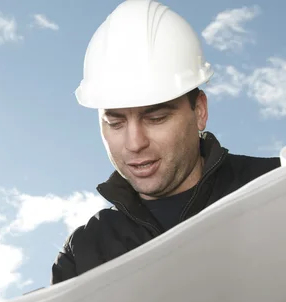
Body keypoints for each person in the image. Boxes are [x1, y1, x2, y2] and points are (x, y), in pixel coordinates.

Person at [51, 0, 281, 284]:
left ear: (199, 112)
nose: (134, 144)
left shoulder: (275, 188)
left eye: (156, 118)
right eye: (115, 123)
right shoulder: (85, 251)